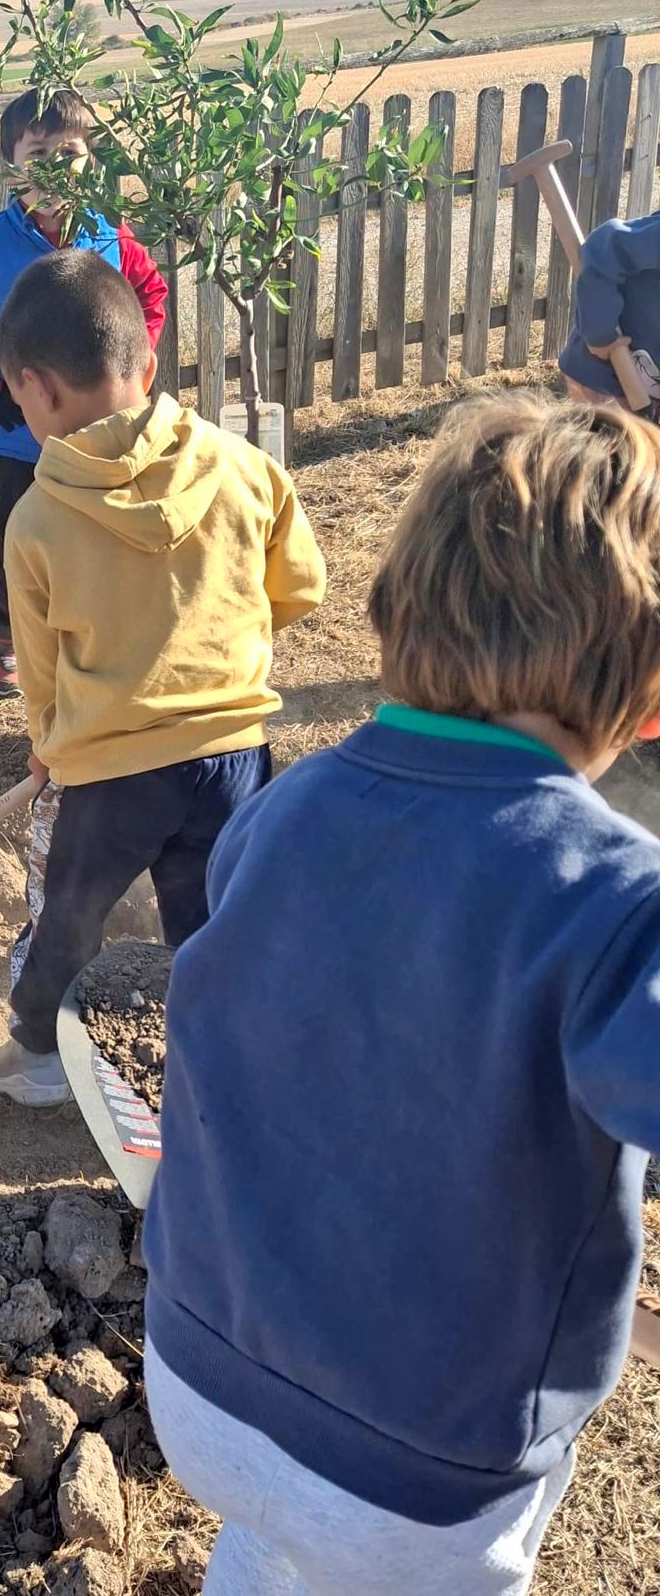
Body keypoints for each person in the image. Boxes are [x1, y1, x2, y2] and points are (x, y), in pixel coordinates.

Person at [142, 395, 660, 1595]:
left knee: (277, 1531)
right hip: (419, 1488)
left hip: (197, 1381)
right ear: (646, 702)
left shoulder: (283, 808)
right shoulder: (616, 903)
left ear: (399, 607)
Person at [0, 250, 324, 1108]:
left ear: (36, 388)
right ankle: (229, 1065)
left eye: (19, 398)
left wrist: (50, 746)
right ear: (147, 363)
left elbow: (41, 669)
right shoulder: (245, 467)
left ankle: (44, 1056)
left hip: (109, 775)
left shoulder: (39, 520)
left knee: (74, 914)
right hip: (233, 756)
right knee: (215, 925)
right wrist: (223, 640)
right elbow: (302, 586)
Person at [0, 87, 168, 698]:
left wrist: (130, 376)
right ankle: (11, 640)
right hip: (24, 438)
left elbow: (151, 300)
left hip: (108, 436)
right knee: (23, 542)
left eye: (70, 151)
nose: (55, 167)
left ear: (93, 160)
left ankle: (100, 634)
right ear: (10, 165)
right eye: (38, 152)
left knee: (106, 533)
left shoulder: (113, 238)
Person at [559, 209, 660, 419]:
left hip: (647, 396)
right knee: (604, 446)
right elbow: (605, 249)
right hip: (602, 378)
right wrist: (600, 334)